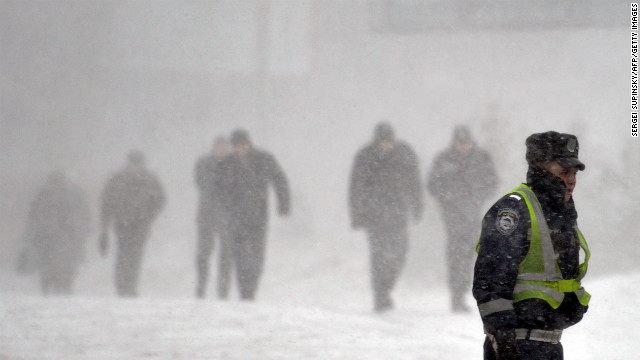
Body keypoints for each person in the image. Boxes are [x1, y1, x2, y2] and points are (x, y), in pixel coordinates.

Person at [473, 131, 590, 360]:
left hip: (549, 345)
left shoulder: (559, 212)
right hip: (517, 347)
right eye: (564, 172)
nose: (572, 180)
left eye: (574, 173)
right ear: (540, 167)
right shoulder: (514, 210)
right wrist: (503, 341)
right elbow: (491, 281)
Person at [349, 122, 423, 312]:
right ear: (376, 141)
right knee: (378, 255)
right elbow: (356, 187)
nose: (386, 145)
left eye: (389, 141)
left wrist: (417, 206)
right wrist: (356, 214)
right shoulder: (365, 156)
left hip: (399, 212)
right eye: (383, 142)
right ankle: (379, 295)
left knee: (401, 252)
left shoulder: (404, 154)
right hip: (374, 215)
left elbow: (414, 182)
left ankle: (386, 286)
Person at [427, 125, 497, 312]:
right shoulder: (443, 159)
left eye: (466, 143)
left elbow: (492, 182)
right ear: (453, 142)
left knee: (469, 253)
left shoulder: (481, 159)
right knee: (457, 253)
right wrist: (448, 197)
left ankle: (464, 291)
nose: (463, 147)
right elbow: (432, 185)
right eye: (460, 143)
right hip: (451, 216)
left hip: (474, 214)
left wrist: (477, 196)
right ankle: (456, 295)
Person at [215, 129, 290, 300]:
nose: (240, 149)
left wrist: (283, 205)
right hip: (236, 218)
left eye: (243, 145)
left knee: (257, 256)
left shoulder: (263, 159)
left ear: (248, 144)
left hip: (259, 216)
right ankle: (245, 292)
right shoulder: (227, 164)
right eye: (237, 146)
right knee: (240, 256)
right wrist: (225, 208)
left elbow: (280, 180)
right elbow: (218, 188)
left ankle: (251, 288)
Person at [99, 150, 166, 297]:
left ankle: (131, 286)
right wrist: (106, 225)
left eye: (136, 164)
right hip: (122, 223)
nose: (133, 167)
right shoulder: (117, 180)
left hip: (141, 224)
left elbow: (160, 200)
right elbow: (106, 203)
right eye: (131, 163)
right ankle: (122, 286)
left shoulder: (150, 180)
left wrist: (149, 215)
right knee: (123, 253)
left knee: (135, 255)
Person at [18, 170, 91, 295]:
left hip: (62, 235)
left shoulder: (47, 195)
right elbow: (34, 215)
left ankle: (60, 288)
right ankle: (53, 288)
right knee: (53, 263)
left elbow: (33, 215)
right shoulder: (50, 195)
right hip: (54, 235)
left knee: (61, 264)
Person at [194, 137, 230, 298]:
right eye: (218, 147)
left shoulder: (234, 165)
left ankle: (223, 291)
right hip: (206, 215)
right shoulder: (204, 163)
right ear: (213, 147)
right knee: (203, 253)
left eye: (224, 147)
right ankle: (201, 287)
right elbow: (201, 182)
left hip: (228, 217)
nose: (221, 150)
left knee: (226, 255)